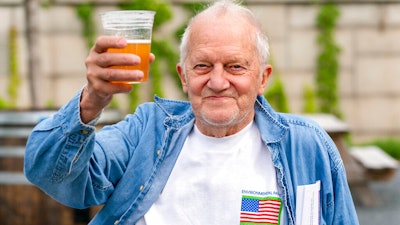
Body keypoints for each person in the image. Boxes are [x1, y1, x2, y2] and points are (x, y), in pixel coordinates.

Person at [24, 1, 359, 224]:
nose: (216, 81)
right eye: (201, 66)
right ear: (184, 76)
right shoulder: (146, 132)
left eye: (235, 66)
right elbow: (50, 174)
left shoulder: (305, 146)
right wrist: (92, 99)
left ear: (262, 78)